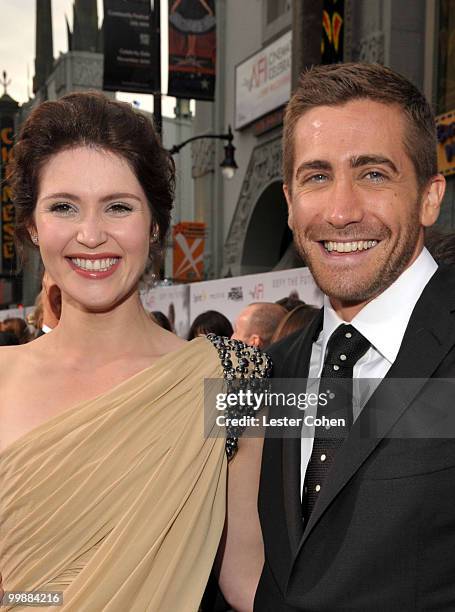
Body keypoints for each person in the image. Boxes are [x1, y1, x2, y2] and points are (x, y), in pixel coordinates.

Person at [0, 92, 268, 612]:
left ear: (154, 226)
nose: (91, 235)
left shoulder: (232, 379)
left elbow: (246, 577)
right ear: (33, 226)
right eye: (63, 207)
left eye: (118, 207)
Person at [254, 63, 454, 611]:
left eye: (373, 174)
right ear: (291, 205)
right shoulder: (274, 371)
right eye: (317, 176)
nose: (341, 212)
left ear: (429, 197)